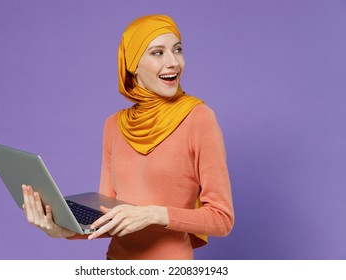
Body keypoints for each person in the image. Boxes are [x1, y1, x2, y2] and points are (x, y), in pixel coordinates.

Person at [22, 14, 234, 260]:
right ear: (133, 64)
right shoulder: (114, 125)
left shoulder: (199, 118)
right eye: (158, 53)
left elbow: (222, 218)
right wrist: (61, 229)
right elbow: (107, 214)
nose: (174, 62)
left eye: (177, 50)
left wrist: (154, 214)